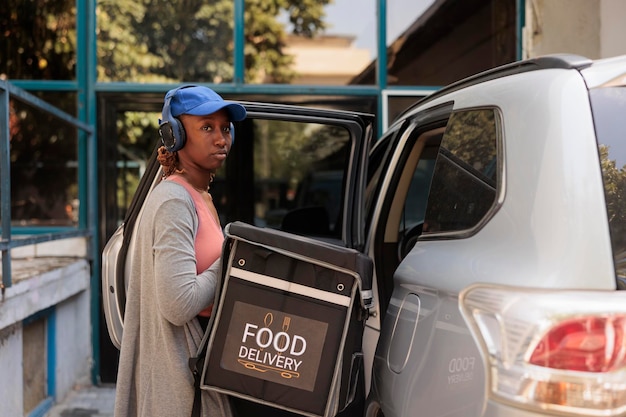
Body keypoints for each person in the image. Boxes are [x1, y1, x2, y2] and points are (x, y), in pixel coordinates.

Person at [114, 85, 247, 417]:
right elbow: (179, 303)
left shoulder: (199, 194)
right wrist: (234, 258)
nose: (221, 138)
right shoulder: (174, 200)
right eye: (207, 127)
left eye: (225, 128)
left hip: (200, 370)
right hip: (181, 386)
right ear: (174, 136)